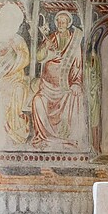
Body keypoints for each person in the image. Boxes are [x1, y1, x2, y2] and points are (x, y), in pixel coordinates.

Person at [29, 10, 85, 147]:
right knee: (37, 101)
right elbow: (39, 57)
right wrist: (46, 48)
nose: (61, 24)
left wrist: (76, 83)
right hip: (46, 87)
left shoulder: (74, 42)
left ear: (68, 23)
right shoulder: (51, 38)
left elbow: (78, 65)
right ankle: (43, 137)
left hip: (64, 88)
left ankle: (66, 138)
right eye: (58, 22)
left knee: (76, 95)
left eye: (63, 22)